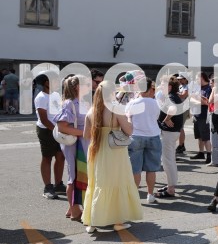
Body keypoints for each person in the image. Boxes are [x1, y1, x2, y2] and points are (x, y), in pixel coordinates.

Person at [82, 81, 143, 233]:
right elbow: (129, 130)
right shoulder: (116, 109)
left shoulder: (91, 111)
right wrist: (128, 118)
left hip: (96, 151)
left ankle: (92, 222)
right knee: (116, 182)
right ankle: (117, 221)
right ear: (111, 93)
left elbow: (85, 135)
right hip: (114, 152)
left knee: (97, 184)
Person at [126, 80, 165, 203]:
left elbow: (128, 118)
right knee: (151, 169)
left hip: (136, 135)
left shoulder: (132, 103)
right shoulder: (156, 103)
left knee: (135, 169)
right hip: (153, 135)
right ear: (149, 89)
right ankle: (150, 195)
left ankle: (134, 197)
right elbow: (156, 117)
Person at [56, 75, 89, 220]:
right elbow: (62, 126)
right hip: (75, 144)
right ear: (77, 87)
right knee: (74, 175)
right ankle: (75, 210)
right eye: (86, 84)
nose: (89, 86)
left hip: (82, 143)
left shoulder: (80, 102)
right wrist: (84, 133)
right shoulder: (69, 103)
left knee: (79, 173)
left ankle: (71, 208)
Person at [33, 75, 66, 200]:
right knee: (47, 157)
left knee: (60, 157)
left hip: (57, 129)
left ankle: (58, 184)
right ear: (47, 82)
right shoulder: (41, 97)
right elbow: (44, 119)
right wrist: (57, 130)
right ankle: (47, 187)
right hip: (46, 130)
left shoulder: (56, 95)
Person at [157, 76, 184, 198]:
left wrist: (166, 119)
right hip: (172, 132)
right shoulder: (173, 96)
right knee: (170, 160)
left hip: (169, 132)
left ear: (169, 87)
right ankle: (170, 185)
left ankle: (171, 189)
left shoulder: (171, 97)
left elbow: (172, 109)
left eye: (163, 85)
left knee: (167, 161)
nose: (160, 87)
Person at [189, 72, 212, 163]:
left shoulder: (208, 89)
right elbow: (191, 98)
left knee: (205, 137)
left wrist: (195, 101)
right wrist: (197, 100)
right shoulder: (198, 88)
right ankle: (201, 153)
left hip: (204, 115)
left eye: (196, 78)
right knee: (199, 136)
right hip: (197, 114)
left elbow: (207, 102)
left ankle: (209, 155)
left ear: (202, 78)